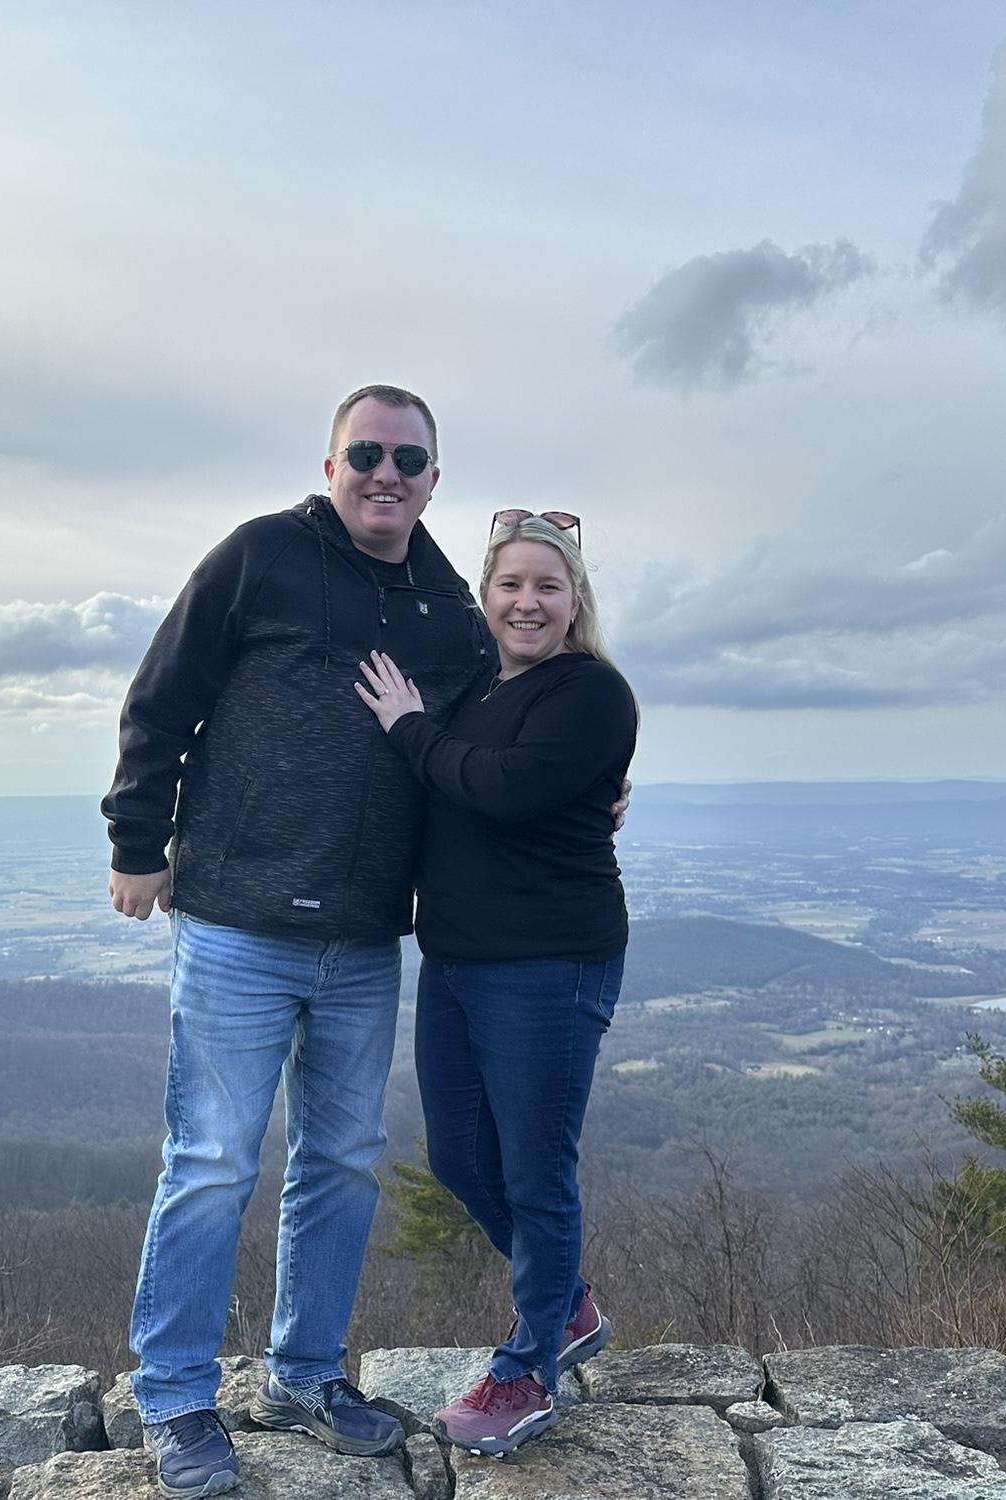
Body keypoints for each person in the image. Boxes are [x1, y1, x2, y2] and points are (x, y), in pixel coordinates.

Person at [102, 384, 492, 1499]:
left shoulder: (447, 603)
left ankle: (305, 1375)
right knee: (214, 1161)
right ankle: (175, 1396)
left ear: (432, 480)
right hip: (236, 923)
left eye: (407, 460)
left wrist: (585, 782)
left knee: (340, 1164)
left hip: (368, 936)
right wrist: (138, 843)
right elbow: (162, 696)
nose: (386, 473)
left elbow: (491, 728)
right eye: (364, 452)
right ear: (330, 466)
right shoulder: (261, 556)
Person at [354, 509, 637, 1457]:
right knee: (460, 1160)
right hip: (460, 960)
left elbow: (501, 787)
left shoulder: (592, 694)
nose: (527, 601)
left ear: (576, 601)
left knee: (535, 1170)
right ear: (485, 598)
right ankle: (567, 1300)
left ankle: (526, 1374)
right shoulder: (480, 687)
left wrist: (407, 728)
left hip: (551, 966)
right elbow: (468, 773)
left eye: (547, 586)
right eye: (508, 584)